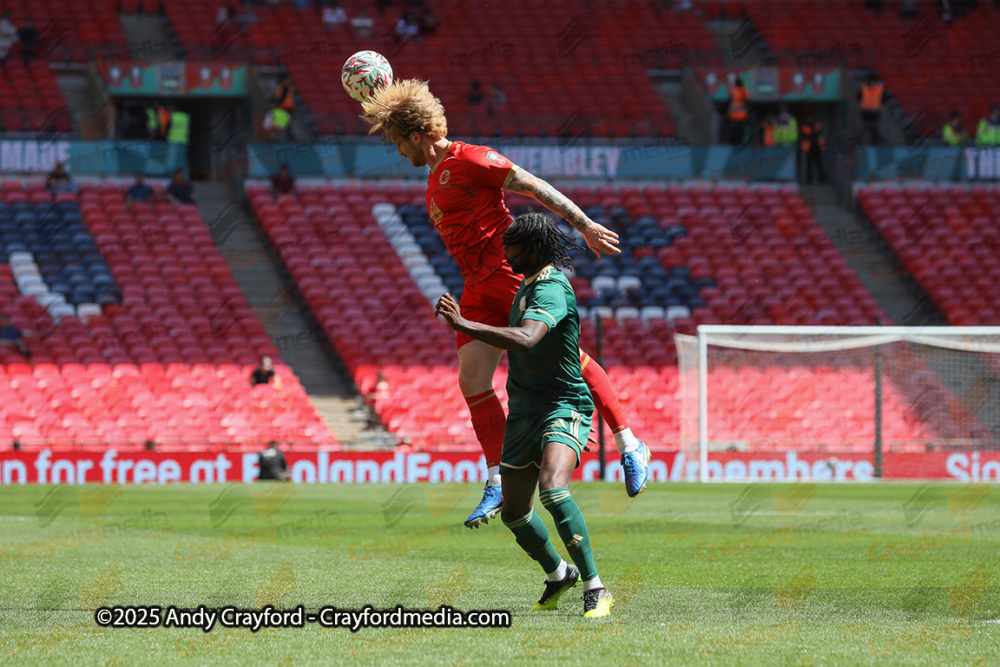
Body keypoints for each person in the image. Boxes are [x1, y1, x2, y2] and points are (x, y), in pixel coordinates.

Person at [361, 79, 650, 528]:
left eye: (398, 141)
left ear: (416, 135)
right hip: (476, 285)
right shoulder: (435, 177)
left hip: (512, 274)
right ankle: (496, 480)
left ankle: (630, 443)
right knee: (472, 379)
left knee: (569, 359)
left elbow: (532, 186)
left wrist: (586, 225)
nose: (398, 151)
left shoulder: (470, 157)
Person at [435, 212, 615, 618]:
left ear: (534, 249)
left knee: (553, 488)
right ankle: (558, 574)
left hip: (562, 403)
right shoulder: (527, 285)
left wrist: (465, 323)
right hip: (524, 410)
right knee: (515, 513)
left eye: (513, 247)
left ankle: (595, 586)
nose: (506, 252)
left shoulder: (550, 289)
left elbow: (527, 339)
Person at [859, 74, 884, 145]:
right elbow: (858, 95)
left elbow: (884, 96)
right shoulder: (864, 87)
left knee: (873, 127)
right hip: (866, 111)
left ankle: (874, 141)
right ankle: (872, 140)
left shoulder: (879, 87)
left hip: (874, 111)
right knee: (867, 127)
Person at [800, 116, 826, 184]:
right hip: (810, 149)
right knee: (810, 167)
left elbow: (820, 136)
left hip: (816, 149)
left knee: (818, 166)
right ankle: (810, 181)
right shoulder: (807, 128)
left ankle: (821, 181)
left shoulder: (816, 127)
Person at [726, 78, 750, 147]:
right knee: (741, 129)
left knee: (733, 129)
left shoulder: (733, 90)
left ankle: (733, 142)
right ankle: (741, 142)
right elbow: (747, 101)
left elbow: (729, 100)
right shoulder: (745, 90)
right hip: (743, 114)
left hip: (733, 114)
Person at [166, 105, 190, 170]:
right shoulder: (186, 116)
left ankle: (174, 177)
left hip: (173, 140)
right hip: (184, 140)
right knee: (182, 160)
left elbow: (166, 127)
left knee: (172, 161)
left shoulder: (172, 116)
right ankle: (184, 177)